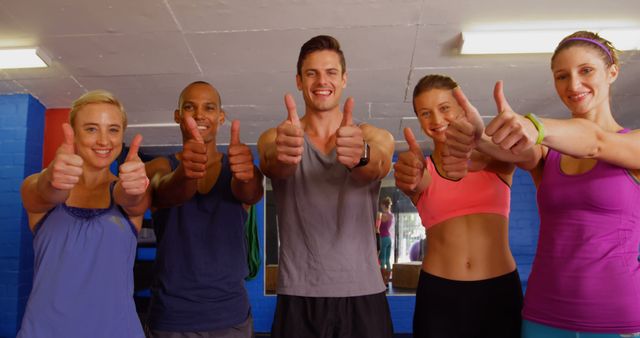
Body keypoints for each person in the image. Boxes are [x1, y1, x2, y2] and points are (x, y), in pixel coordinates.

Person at [462, 31, 640, 337]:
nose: (573, 85)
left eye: (586, 70)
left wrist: (535, 125)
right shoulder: (547, 154)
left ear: (612, 72)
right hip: (544, 314)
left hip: (616, 315)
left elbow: (595, 142)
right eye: (562, 76)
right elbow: (518, 149)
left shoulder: (633, 145)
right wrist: (477, 137)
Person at [257, 35, 395, 338]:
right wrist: (286, 157)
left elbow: (380, 163)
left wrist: (362, 156)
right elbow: (271, 162)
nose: (322, 80)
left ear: (344, 79)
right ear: (298, 80)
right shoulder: (276, 138)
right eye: (312, 73)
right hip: (299, 294)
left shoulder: (373, 135)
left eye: (331, 72)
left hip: (363, 293)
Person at [394, 74, 523, 338]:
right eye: (425, 113)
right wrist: (409, 176)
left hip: (497, 291)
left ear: (462, 108)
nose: (437, 120)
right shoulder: (423, 170)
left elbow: (524, 153)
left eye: (444, 108)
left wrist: (479, 140)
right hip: (441, 295)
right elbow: (414, 184)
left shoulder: (495, 160)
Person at [18, 90, 149, 337]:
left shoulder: (126, 189)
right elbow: (47, 192)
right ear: (74, 133)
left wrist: (135, 189)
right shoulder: (35, 185)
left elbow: (133, 200)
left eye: (113, 129)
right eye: (91, 129)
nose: (104, 140)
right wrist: (52, 179)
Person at [145, 81, 263, 338]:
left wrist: (249, 175)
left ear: (220, 117)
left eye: (209, 108)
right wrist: (186, 175)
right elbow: (165, 192)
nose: (199, 114)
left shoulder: (238, 168)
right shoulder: (158, 167)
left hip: (230, 316)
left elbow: (251, 193)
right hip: (172, 317)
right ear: (178, 116)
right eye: (190, 107)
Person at [377, 196, 394, 284]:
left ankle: (382, 281)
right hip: (389, 239)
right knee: (387, 260)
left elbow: (377, 227)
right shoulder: (391, 215)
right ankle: (387, 281)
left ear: (384, 205)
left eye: (381, 206)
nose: (381, 207)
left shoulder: (382, 215)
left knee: (382, 259)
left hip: (383, 238)